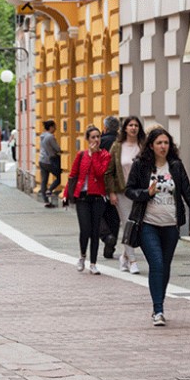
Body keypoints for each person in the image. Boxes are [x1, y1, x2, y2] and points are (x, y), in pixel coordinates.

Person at [125, 128, 190, 326]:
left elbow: (187, 192)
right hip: (148, 224)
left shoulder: (175, 166)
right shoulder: (141, 165)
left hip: (171, 225)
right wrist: (146, 193)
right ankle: (158, 310)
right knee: (157, 264)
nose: (163, 146)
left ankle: (159, 304)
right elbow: (129, 190)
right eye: (159, 143)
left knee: (165, 266)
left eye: (166, 143)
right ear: (151, 145)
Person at [62, 125, 111, 275]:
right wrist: (66, 194)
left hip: (97, 197)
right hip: (82, 197)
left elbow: (100, 172)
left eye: (98, 137)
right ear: (87, 139)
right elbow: (73, 175)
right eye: (93, 137)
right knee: (85, 229)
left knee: (95, 231)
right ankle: (82, 256)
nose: (96, 140)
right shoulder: (81, 155)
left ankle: (93, 263)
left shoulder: (105, 155)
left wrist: (94, 155)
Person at [105, 116, 145, 274]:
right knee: (128, 224)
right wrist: (111, 192)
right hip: (122, 192)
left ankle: (124, 257)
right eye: (130, 125)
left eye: (136, 125)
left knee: (136, 226)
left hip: (139, 192)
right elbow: (109, 171)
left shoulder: (143, 146)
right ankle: (133, 261)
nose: (133, 128)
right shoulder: (117, 146)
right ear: (125, 128)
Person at [98, 115, 122, 259]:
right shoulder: (121, 142)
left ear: (105, 128)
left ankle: (107, 237)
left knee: (97, 214)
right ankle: (111, 244)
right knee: (114, 216)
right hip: (118, 184)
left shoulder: (100, 142)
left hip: (101, 183)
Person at [38, 120, 62, 207]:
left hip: (42, 160)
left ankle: (46, 201)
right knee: (60, 177)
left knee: (44, 181)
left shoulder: (42, 136)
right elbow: (57, 148)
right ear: (51, 127)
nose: (55, 129)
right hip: (49, 160)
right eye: (54, 127)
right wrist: (61, 151)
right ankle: (50, 190)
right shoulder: (50, 137)